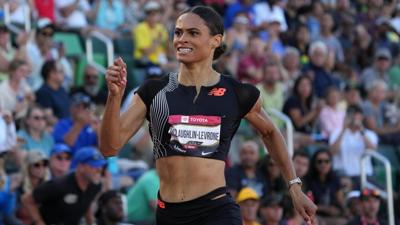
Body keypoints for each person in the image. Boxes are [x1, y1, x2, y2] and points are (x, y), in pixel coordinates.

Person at [100, 6, 317, 225]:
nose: (182, 39)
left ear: (216, 40)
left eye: (193, 33)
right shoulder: (155, 91)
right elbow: (110, 147)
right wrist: (114, 97)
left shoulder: (236, 92)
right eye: (178, 32)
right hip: (169, 214)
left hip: (215, 210)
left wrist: (294, 186)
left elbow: (270, 133)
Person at [22, 146, 106, 225]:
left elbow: (86, 203)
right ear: (81, 167)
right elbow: (27, 199)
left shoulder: (95, 185)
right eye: (94, 166)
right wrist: (39, 223)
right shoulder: (59, 184)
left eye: (100, 166)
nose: (99, 169)